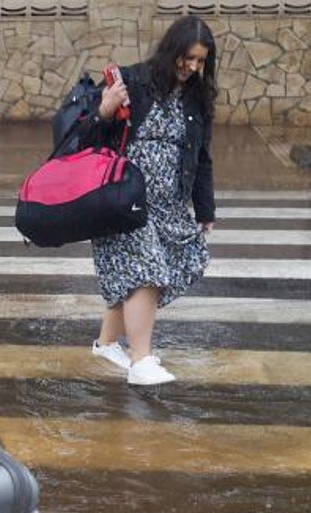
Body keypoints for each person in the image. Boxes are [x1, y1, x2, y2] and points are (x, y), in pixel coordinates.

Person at [78, 15, 217, 386]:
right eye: (187, 57)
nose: (192, 66)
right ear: (172, 50)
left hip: (170, 203)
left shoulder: (197, 98)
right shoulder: (132, 81)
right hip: (125, 198)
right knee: (146, 272)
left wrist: (205, 210)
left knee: (160, 268)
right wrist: (104, 111)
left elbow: (202, 157)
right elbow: (86, 139)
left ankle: (107, 343)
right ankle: (141, 360)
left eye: (201, 61)